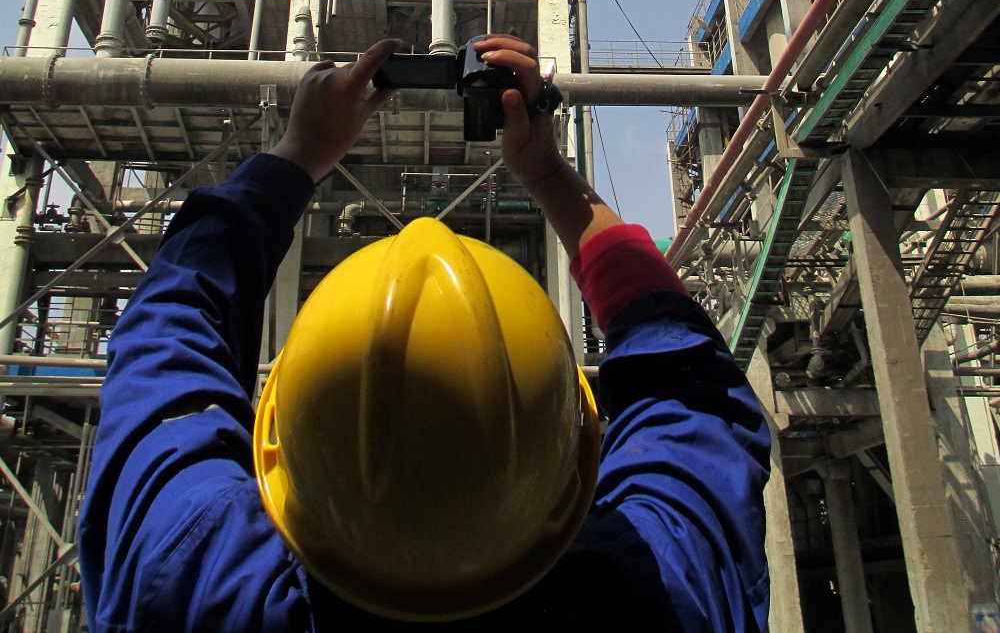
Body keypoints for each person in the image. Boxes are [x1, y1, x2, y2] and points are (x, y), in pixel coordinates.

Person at [79, 36, 770, 631]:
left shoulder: (190, 581)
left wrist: (297, 153)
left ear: (282, 442)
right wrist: (547, 172)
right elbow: (690, 384)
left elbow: (168, 322)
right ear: (569, 467)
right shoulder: (661, 594)